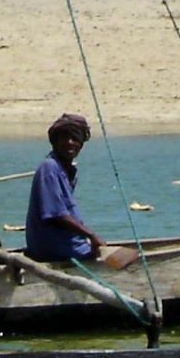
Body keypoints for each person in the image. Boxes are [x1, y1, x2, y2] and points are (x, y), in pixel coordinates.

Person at [25, 112, 106, 262]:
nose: (70, 142)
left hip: (69, 244)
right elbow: (56, 215)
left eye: (75, 138)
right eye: (64, 138)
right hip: (54, 248)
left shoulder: (66, 170)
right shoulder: (49, 168)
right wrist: (91, 235)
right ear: (55, 141)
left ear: (81, 143)